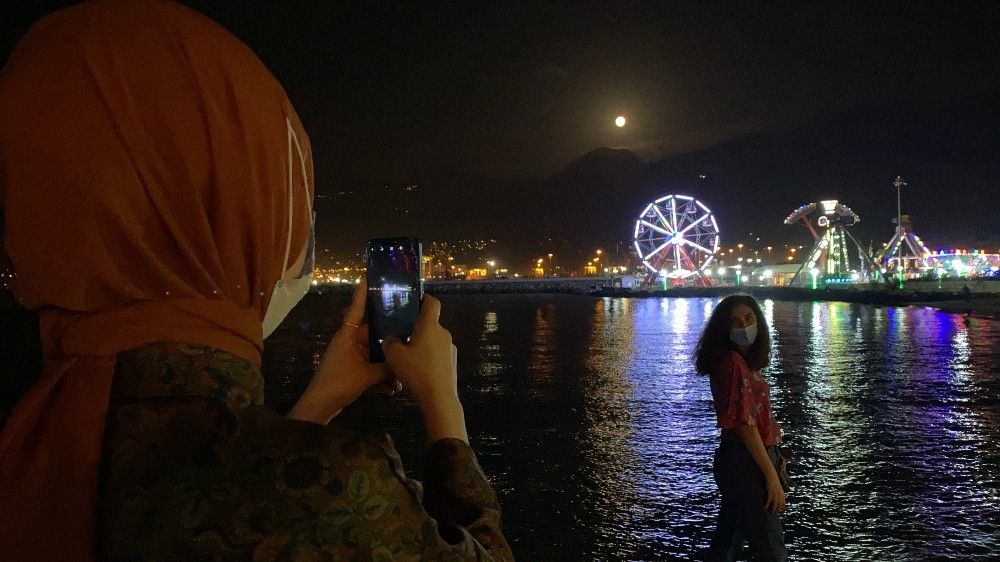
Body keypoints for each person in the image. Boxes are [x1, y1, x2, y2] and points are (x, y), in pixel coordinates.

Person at [0, 2, 512, 560]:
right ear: (247, 208)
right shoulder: (340, 490)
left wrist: (319, 402)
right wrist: (443, 408)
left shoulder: (35, 447)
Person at [694, 295, 787, 561]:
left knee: (726, 545)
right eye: (735, 322)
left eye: (749, 319)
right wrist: (770, 475)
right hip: (747, 463)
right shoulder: (732, 362)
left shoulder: (742, 362)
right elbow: (744, 425)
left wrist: (776, 456)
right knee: (771, 551)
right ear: (724, 328)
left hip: (743, 460)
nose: (744, 327)